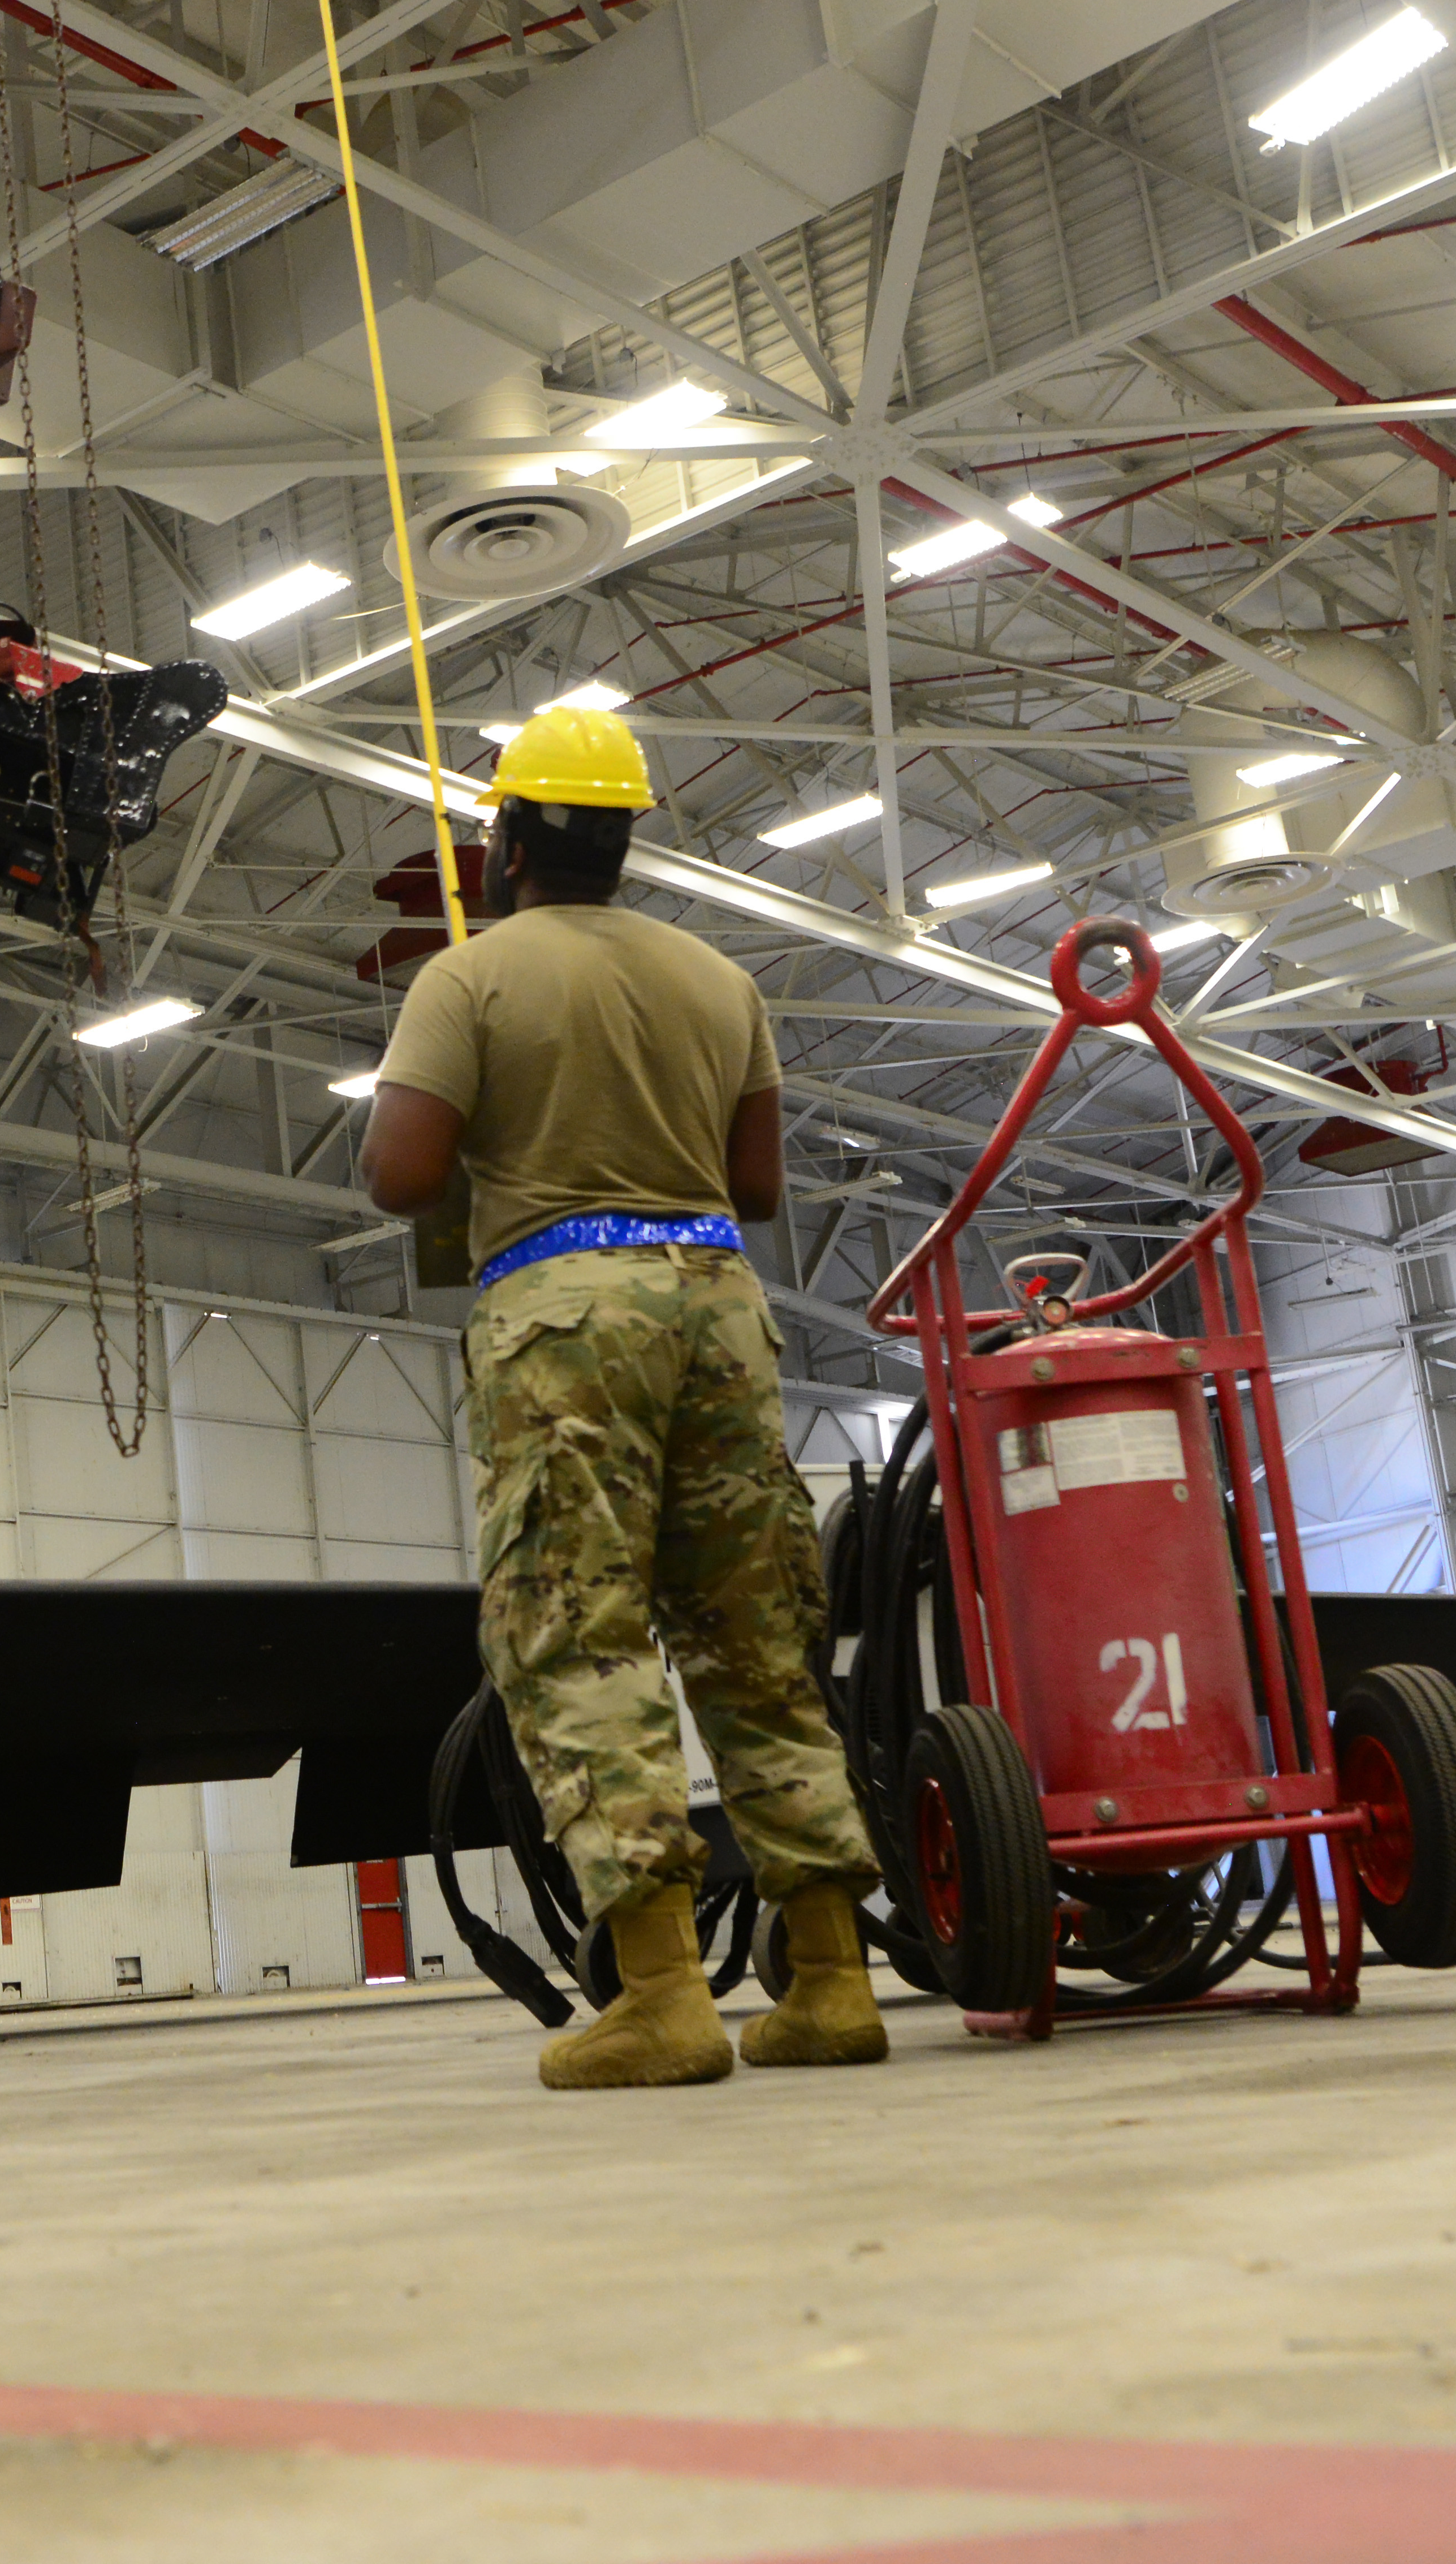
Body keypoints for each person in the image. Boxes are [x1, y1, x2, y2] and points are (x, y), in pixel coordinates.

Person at [358, 707, 884, 2089]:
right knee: (754, 1636)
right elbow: (757, 1187)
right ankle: (829, 1977)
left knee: (578, 1635)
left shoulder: (465, 977)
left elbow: (401, 1173)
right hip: (717, 1306)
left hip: (564, 1315)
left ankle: (661, 1991)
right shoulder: (720, 979)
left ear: (507, 836)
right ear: (624, 833)